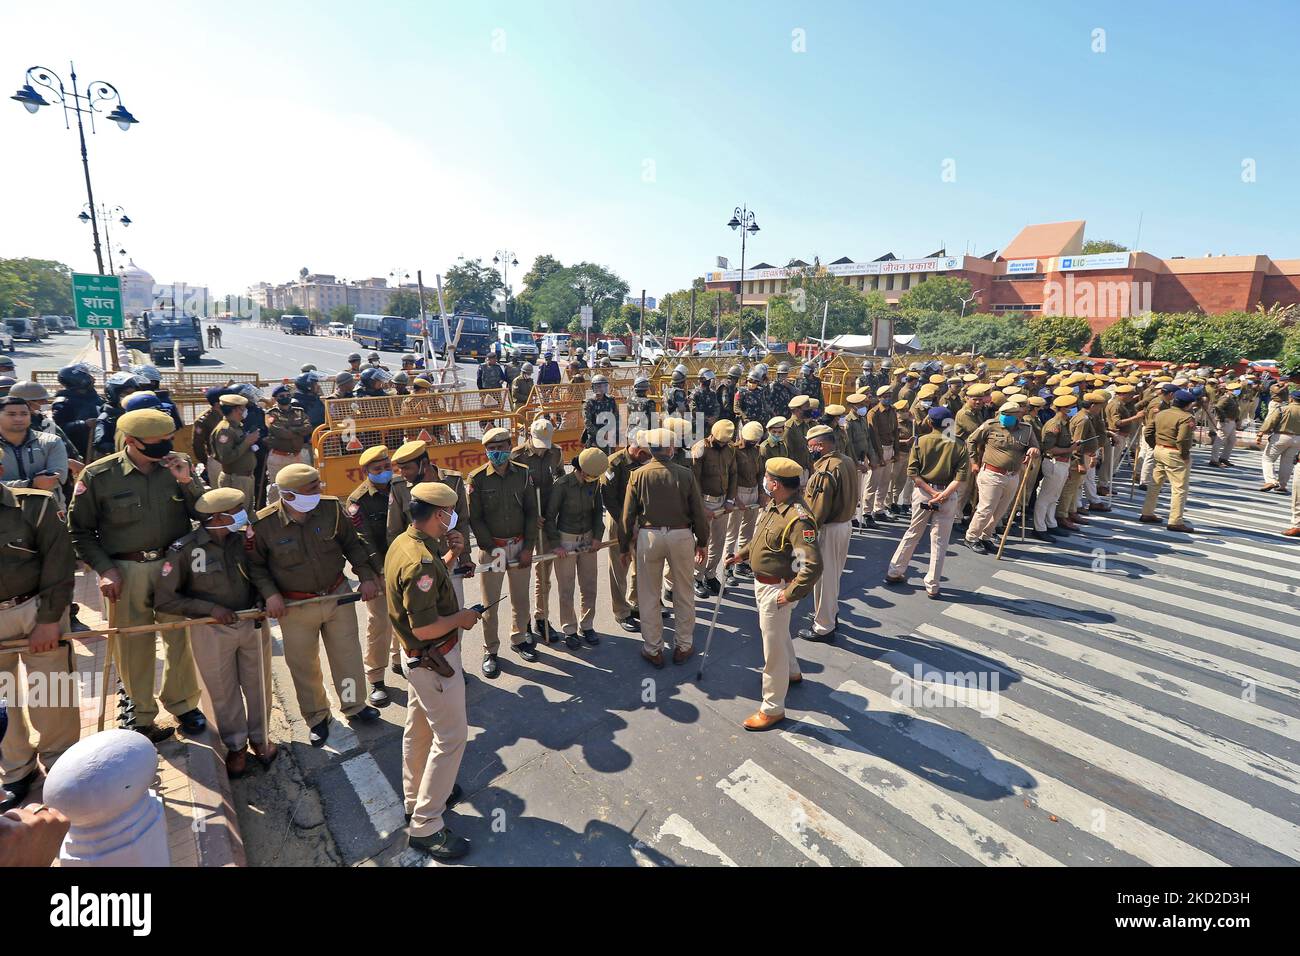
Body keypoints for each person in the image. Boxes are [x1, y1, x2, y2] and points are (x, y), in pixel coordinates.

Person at [68, 408, 208, 743]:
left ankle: (184, 703)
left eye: (168, 440)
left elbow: (204, 511)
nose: (166, 447)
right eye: (157, 443)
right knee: (133, 644)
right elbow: (80, 532)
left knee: (181, 639)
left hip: (174, 567)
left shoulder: (177, 466)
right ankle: (141, 713)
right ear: (131, 441)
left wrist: (187, 481)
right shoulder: (99, 475)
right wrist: (104, 570)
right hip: (125, 571)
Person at [248, 463, 382, 746]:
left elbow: (352, 544)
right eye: (310, 489)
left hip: (337, 595)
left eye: (317, 486)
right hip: (295, 606)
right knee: (304, 665)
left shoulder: (331, 508)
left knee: (347, 657)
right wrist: (270, 594)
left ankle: (354, 705)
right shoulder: (264, 524)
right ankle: (317, 716)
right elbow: (256, 566)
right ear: (288, 495)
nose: (318, 492)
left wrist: (366, 576)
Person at [153, 487, 277, 777]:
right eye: (237, 510)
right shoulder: (184, 550)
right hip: (210, 629)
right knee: (223, 690)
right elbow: (166, 599)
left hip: (252, 621)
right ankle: (236, 746)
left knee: (258, 683)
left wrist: (263, 597)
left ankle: (261, 739)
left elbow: (261, 572)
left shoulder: (245, 541)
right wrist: (209, 609)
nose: (243, 514)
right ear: (219, 517)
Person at [386, 481, 477, 861]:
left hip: (418, 659)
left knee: (419, 729)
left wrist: (452, 556)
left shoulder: (408, 545)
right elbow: (425, 626)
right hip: (433, 657)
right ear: (439, 514)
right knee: (452, 737)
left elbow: (430, 586)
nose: (451, 521)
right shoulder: (420, 560)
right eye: (449, 514)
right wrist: (463, 618)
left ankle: (415, 798)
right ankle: (426, 825)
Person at [0, 463, 77, 809]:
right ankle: (17, 770)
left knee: (51, 691)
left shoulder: (36, 504)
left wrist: (49, 620)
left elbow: (59, 562)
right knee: (2, 698)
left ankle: (61, 761)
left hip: (35, 607)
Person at [724, 456, 821, 731]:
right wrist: (742, 555)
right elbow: (761, 537)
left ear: (775, 483)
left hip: (776, 588)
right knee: (779, 635)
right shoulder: (776, 506)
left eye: (766, 478)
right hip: (765, 582)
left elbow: (812, 564)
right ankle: (792, 672)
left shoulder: (798, 518)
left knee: (772, 649)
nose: (764, 482)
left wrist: (791, 594)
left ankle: (772, 707)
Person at [620, 427, 709, 668]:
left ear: (649, 449)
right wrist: (702, 541)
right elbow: (698, 513)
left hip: (650, 536)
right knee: (684, 591)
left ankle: (653, 648)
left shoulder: (638, 475)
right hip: (681, 534)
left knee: (649, 593)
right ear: (671, 449)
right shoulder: (685, 474)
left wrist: (623, 546)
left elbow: (627, 516)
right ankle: (683, 645)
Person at [466, 427, 538, 678]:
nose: (497, 453)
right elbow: (475, 519)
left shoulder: (524, 474)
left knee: (520, 598)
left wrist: (529, 547)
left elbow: (531, 512)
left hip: (519, 545)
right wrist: (490, 547)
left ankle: (519, 639)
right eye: (492, 449)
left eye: (501, 447)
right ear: (486, 451)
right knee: (491, 603)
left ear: (510, 446)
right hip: (492, 548)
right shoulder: (477, 479)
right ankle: (491, 650)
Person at [885, 406, 970, 598]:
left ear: (930, 422)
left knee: (913, 532)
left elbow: (913, 473)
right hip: (947, 495)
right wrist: (942, 494)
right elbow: (960, 477)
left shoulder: (920, 441)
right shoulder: (958, 444)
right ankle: (933, 584)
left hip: (924, 493)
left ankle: (894, 571)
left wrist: (932, 492)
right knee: (939, 540)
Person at [347, 446, 401, 707]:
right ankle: (376, 678)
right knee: (379, 623)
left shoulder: (401, 488)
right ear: (365, 472)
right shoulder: (358, 501)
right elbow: (363, 541)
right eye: (377, 469)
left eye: (387, 466)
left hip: (404, 564)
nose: (384, 472)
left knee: (408, 615)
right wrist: (379, 571)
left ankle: (400, 659)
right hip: (377, 568)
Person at [798, 425, 856, 642]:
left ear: (820, 445)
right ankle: (830, 613)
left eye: (811, 445)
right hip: (844, 525)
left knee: (825, 579)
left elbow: (817, 512)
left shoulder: (825, 470)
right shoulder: (846, 461)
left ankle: (824, 627)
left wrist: (806, 538)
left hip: (828, 529)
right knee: (834, 576)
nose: (809, 449)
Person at [545, 448, 607, 648]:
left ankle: (587, 625)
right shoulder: (562, 485)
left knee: (589, 585)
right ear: (580, 470)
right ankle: (569, 629)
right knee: (566, 588)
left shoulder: (595, 481)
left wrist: (598, 536)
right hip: (566, 540)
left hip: (588, 538)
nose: (592, 479)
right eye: (589, 475)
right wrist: (556, 545)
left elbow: (598, 511)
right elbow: (550, 517)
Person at [965, 401, 1040, 554]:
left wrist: (1033, 450)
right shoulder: (991, 425)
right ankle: (972, 537)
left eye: (1008, 415)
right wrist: (974, 462)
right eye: (1003, 414)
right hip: (991, 473)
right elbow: (971, 440)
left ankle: (986, 536)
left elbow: (1035, 447)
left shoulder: (1027, 429)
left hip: (1013, 475)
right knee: (986, 508)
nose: (1004, 418)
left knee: (1001, 510)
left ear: (1018, 415)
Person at [512, 419, 564, 644]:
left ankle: (541, 617)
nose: (543, 449)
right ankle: (522, 624)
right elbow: (511, 494)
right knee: (521, 576)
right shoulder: (517, 455)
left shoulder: (556, 452)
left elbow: (560, 481)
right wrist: (531, 516)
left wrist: (551, 513)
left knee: (544, 576)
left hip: (547, 520)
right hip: (524, 522)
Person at [601, 430, 648, 634]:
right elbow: (608, 498)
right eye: (645, 453)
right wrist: (626, 524)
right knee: (619, 565)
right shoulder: (614, 463)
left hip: (640, 519)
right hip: (619, 518)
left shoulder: (646, 460)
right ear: (634, 448)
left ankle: (636, 602)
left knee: (641, 564)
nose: (648, 457)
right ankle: (621, 611)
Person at [691, 419, 738, 597]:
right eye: (721, 442)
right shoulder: (700, 449)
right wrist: (700, 507)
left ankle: (710, 576)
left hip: (722, 502)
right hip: (705, 502)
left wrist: (731, 500)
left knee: (718, 542)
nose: (723, 445)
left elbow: (733, 474)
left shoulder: (730, 450)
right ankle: (697, 577)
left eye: (726, 442)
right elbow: (694, 480)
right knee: (703, 542)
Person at [1140, 389, 1197, 532]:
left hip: (1159, 449)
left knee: (1155, 483)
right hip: (1174, 452)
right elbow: (1183, 439)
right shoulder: (1186, 417)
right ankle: (1175, 521)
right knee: (1179, 488)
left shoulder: (1161, 413)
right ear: (1189, 404)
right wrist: (1184, 454)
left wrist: (1155, 445)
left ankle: (1147, 512)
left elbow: (1148, 431)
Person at [0, 396, 69, 507]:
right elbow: (41, 483)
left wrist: (8, 485)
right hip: (4, 513)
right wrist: (31, 483)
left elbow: (56, 479)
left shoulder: (51, 442)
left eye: (24, 414)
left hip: (47, 511)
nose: (19, 419)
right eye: (11, 414)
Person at [724, 421, 765, 584]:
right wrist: (734, 497)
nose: (753, 444)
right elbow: (730, 476)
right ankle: (727, 568)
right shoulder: (733, 451)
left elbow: (761, 472)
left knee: (748, 532)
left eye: (755, 441)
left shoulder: (756, 451)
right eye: (751, 441)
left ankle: (742, 563)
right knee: (731, 533)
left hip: (753, 491)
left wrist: (762, 493)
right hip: (738, 492)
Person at [1034, 396, 1079, 537]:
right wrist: (1070, 449)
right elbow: (1049, 448)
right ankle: (1039, 527)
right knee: (1045, 497)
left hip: (1063, 463)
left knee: (1054, 497)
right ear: (1064, 408)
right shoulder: (1055, 424)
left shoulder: (1064, 423)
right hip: (1054, 462)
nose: (1072, 409)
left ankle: (1050, 523)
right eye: (1070, 406)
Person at [209, 393, 261, 512]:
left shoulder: (237, 426)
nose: (245, 411)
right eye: (243, 408)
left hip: (244, 478)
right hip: (235, 479)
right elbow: (226, 457)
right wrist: (247, 442)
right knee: (236, 514)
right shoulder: (225, 430)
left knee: (246, 512)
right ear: (237, 410)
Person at [51, 363, 103, 461]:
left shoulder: (92, 396)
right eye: (89, 376)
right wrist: (83, 424)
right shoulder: (63, 403)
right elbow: (59, 428)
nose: (93, 379)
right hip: (78, 446)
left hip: (96, 443)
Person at [1256, 387, 1300, 493]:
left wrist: (1261, 433)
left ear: (1291, 399)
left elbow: (1270, 421)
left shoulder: (1283, 409)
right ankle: (1282, 485)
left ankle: (1271, 480)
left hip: (1281, 437)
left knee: (1268, 459)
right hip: (1298, 439)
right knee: (1288, 463)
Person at [583, 374, 619, 454]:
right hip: (594, 437)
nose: (601, 388)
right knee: (594, 461)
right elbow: (587, 423)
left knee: (610, 460)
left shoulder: (611, 400)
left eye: (603, 386)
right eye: (598, 386)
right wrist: (602, 434)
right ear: (593, 387)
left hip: (609, 436)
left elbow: (616, 418)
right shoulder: (589, 402)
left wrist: (612, 432)